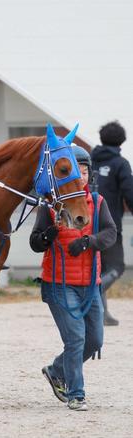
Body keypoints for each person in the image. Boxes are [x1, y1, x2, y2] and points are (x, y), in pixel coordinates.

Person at [30, 146, 116, 411]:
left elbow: (111, 233)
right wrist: (49, 235)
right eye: (75, 169)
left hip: (91, 285)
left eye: (84, 168)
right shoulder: (49, 204)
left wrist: (89, 241)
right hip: (59, 283)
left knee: (95, 340)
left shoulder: (98, 202)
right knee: (76, 338)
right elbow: (35, 242)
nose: (81, 172)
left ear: (89, 173)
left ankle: (56, 370)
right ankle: (76, 394)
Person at [91, 121, 133, 325]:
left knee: (98, 270)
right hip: (109, 225)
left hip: (84, 225)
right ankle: (92, 294)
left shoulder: (88, 161)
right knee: (116, 266)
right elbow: (130, 193)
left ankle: (102, 315)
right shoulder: (120, 164)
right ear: (122, 140)